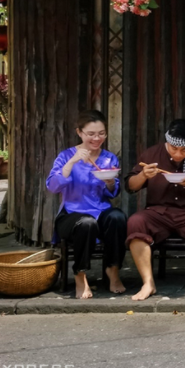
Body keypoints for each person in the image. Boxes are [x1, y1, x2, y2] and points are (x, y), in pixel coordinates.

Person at [125, 119, 185, 301]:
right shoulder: (152, 154)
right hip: (158, 212)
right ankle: (148, 282)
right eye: (173, 149)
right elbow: (130, 186)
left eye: (184, 150)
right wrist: (142, 175)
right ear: (167, 142)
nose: (178, 154)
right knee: (135, 221)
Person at [46, 110, 127, 299]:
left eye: (101, 133)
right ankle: (80, 275)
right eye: (91, 134)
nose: (96, 138)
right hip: (71, 214)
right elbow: (52, 186)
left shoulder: (109, 158)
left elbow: (113, 192)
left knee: (117, 217)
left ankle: (112, 270)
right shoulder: (66, 156)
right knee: (86, 223)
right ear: (79, 132)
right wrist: (72, 163)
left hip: (101, 211)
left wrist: (109, 183)